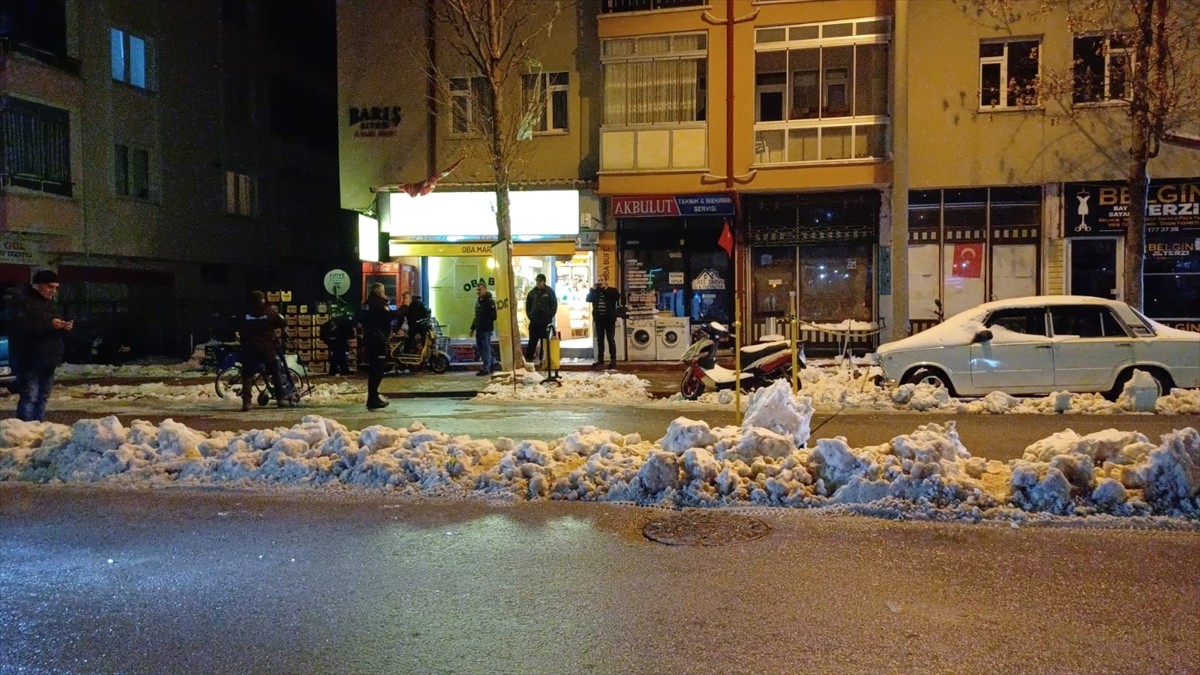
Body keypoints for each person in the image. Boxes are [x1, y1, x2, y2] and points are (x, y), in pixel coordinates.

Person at [5, 269, 73, 421]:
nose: (53, 291)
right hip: (28, 358)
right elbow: (21, 327)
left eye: (56, 288)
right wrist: (50, 325)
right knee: (30, 396)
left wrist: (63, 327)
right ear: (38, 285)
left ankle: (38, 426)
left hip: (48, 359)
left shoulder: (50, 303)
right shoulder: (22, 302)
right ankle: (25, 428)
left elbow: (53, 328)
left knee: (42, 397)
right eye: (50, 286)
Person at [238, 290, 287, 411]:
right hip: (267, 347)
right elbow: (281, 322)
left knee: (248, 375)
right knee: (275, 372)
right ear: (262, 300)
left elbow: (238, 326)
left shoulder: (245, 313)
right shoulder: (269, 312)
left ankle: (246, 402)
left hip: (250, 348)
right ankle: (281, 398)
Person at [358, 283, 397, 410]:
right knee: (378, 369)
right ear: (378, 291)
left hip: (370, 339)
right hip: (377, 340)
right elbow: (391, 315)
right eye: (383, 291)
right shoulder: (378, 304)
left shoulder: (367, 304)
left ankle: (373, 396)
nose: (385, 293)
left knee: (374, 369)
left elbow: (360, 318)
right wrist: (405, 307)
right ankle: (372, 398)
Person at [586, 278, 621, 370]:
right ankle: (600, 359)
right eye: (598, 280)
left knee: (610, 339)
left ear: (605, 281)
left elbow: (617, 297)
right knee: (600, 340)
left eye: (601, 280)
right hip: (599, 320)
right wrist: (592, 290)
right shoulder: (595, 291)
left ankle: (613, 360)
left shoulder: (612, 290)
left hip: (609, 320)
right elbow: (588, 299)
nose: (600, 282)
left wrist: (605, 289)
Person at [523, 273, 557, 362]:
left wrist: (549, 316)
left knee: (544, 343)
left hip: (545, 323)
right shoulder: (532, 293)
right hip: (534, 322)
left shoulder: (550, 292)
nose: (538, 283)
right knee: (532, 342)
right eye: (537, 281)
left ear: (544, 282)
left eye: (540, 281)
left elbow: (554, 305)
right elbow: (528, 306)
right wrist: (530, 316)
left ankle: (543, 360)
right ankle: (528, 360)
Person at [469, 283, 498, 376]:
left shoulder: (490, 301)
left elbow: (494, 316)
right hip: (479, 329)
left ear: (485, 289)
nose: (478, 291)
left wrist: (486, 320)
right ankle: (493, 363)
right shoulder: (478, 301)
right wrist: (472, 328)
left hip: (486, 329)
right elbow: (477, 316)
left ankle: (486, 368)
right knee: (481, 349)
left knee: (486, 348)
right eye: (477, 290)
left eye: (480, 289)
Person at [319, 312, 355, 376]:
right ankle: (339, 370)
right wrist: (351, 335)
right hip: (333, 336)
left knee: (338, 353)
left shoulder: (342, 319)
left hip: (328, 335)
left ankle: (338, 370)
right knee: (339, 353)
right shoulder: (347, 321)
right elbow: (348, 332)